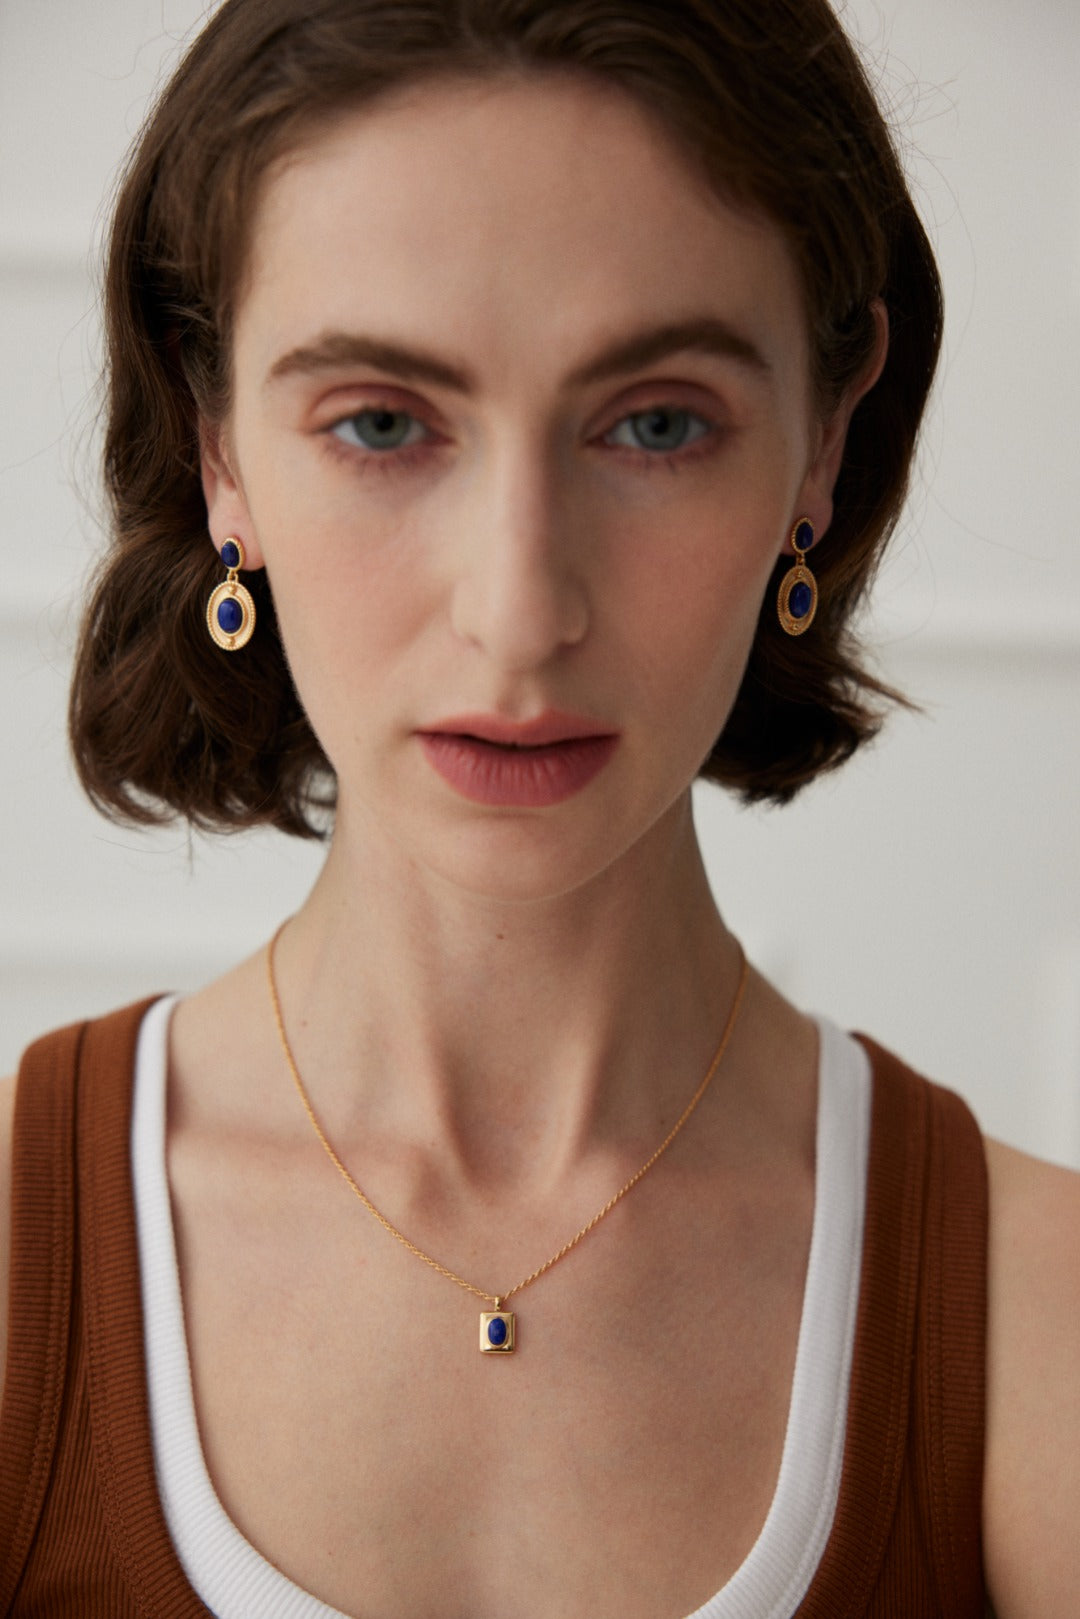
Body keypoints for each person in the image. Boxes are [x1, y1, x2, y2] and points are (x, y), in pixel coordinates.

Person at [0, 0, 1076, 1614]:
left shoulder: (1035, 1311)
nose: (518, 612)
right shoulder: (22, 1266)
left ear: (825, 440)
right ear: (217, 440)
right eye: (381, 422)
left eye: (656, 424)